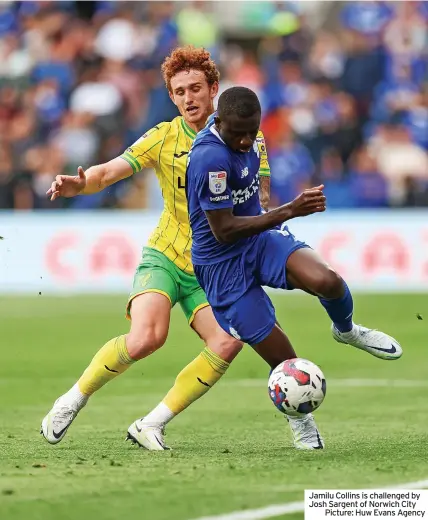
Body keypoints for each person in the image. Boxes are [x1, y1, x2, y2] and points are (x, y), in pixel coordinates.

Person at [40, 47, 314, 452]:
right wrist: (82, 184)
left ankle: (152, 423)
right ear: (171, 96)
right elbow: (111, 170)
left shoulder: (247, 139)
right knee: (147, 338)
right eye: (179, 90)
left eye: (196, 88)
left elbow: (263, 200)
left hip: (217, 267)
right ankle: (74, 398)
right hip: (168, 253)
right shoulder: (164, 137)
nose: (188, 98)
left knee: (228, 342)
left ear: (214, 90)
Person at [185, 86, 403, 447]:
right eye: (236, 133)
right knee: (284, 359)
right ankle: (302, 422)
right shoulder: (209, 159)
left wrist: (266, 196)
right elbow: (223, 231)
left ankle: (347, 330)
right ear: (219, 122)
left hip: (258, 239)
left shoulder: (247, 131)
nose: (244, 141)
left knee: (328, 280)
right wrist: (288, 210)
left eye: (250, 132)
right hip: (222, 264)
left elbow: (257, 165)